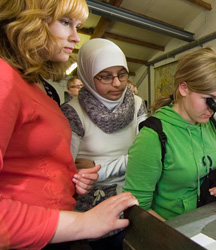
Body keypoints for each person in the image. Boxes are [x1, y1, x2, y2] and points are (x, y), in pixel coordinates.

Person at [0, 1, 138, 249]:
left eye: (78, 26)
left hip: (54, 232)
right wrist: (84, 224)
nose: (76, 37)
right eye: (65, 22)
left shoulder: (40, 86)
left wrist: (72, 178)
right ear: (30, 20)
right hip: (29, 235)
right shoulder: (4, 80)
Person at [123, 47, 216, 221]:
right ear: (184, 88)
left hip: (208, 221)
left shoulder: (211, 125)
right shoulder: (153, 136)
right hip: (170, 231)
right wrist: (175, 236)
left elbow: (214, 173)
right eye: (209, 99)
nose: (215, 109)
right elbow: (136, 206)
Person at [60, 38, 147, 249]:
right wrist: (131, 159)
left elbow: (146, 155)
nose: (117, 83)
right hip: (91, 210)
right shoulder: (73, 112)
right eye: (105, 77)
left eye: (122, 74)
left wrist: (97, 168)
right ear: (88, 77)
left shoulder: (137, 104)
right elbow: (69, 173)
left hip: (137, 194)